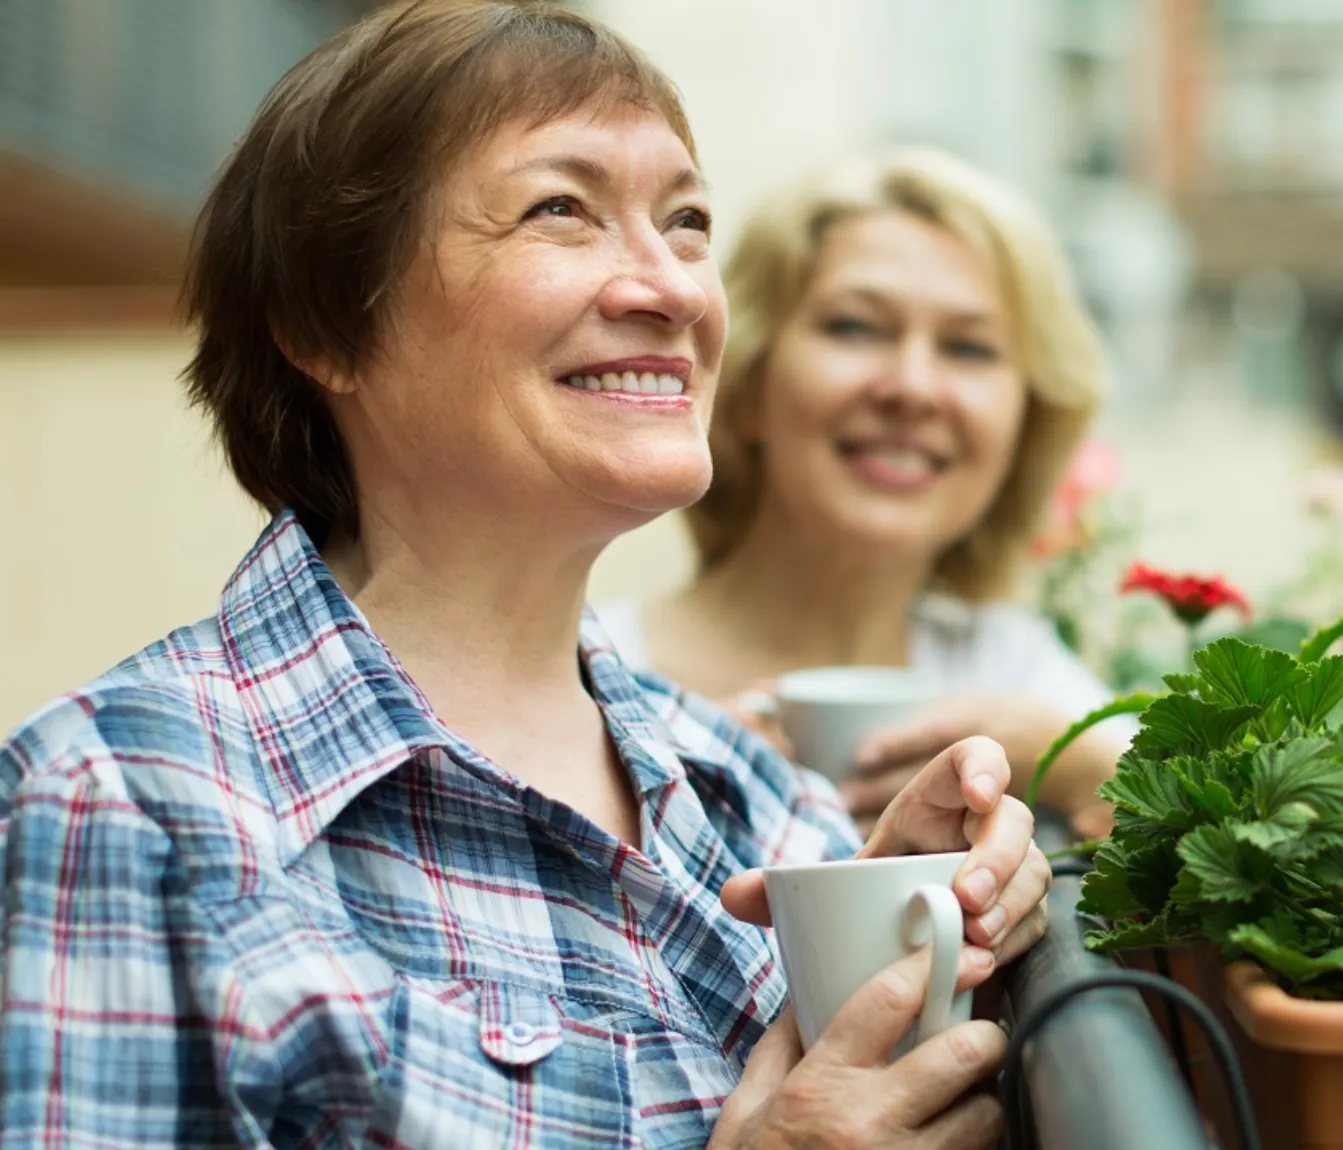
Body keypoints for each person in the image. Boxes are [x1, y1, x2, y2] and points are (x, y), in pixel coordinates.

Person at [0, 4, 1047, 1146]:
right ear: (322, 322)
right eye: (563, 210)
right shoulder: (125, 804)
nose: (674, 290)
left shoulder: (763, 799)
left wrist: (909, 918)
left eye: (688, 223)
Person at [605, 149, 1130, 829]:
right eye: (854, 327)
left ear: (1023, 424)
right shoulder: (596, 673)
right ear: (746, 384)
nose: (912, 387)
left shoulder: (1015, 673)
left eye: (969, 348)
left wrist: (1070, 762)